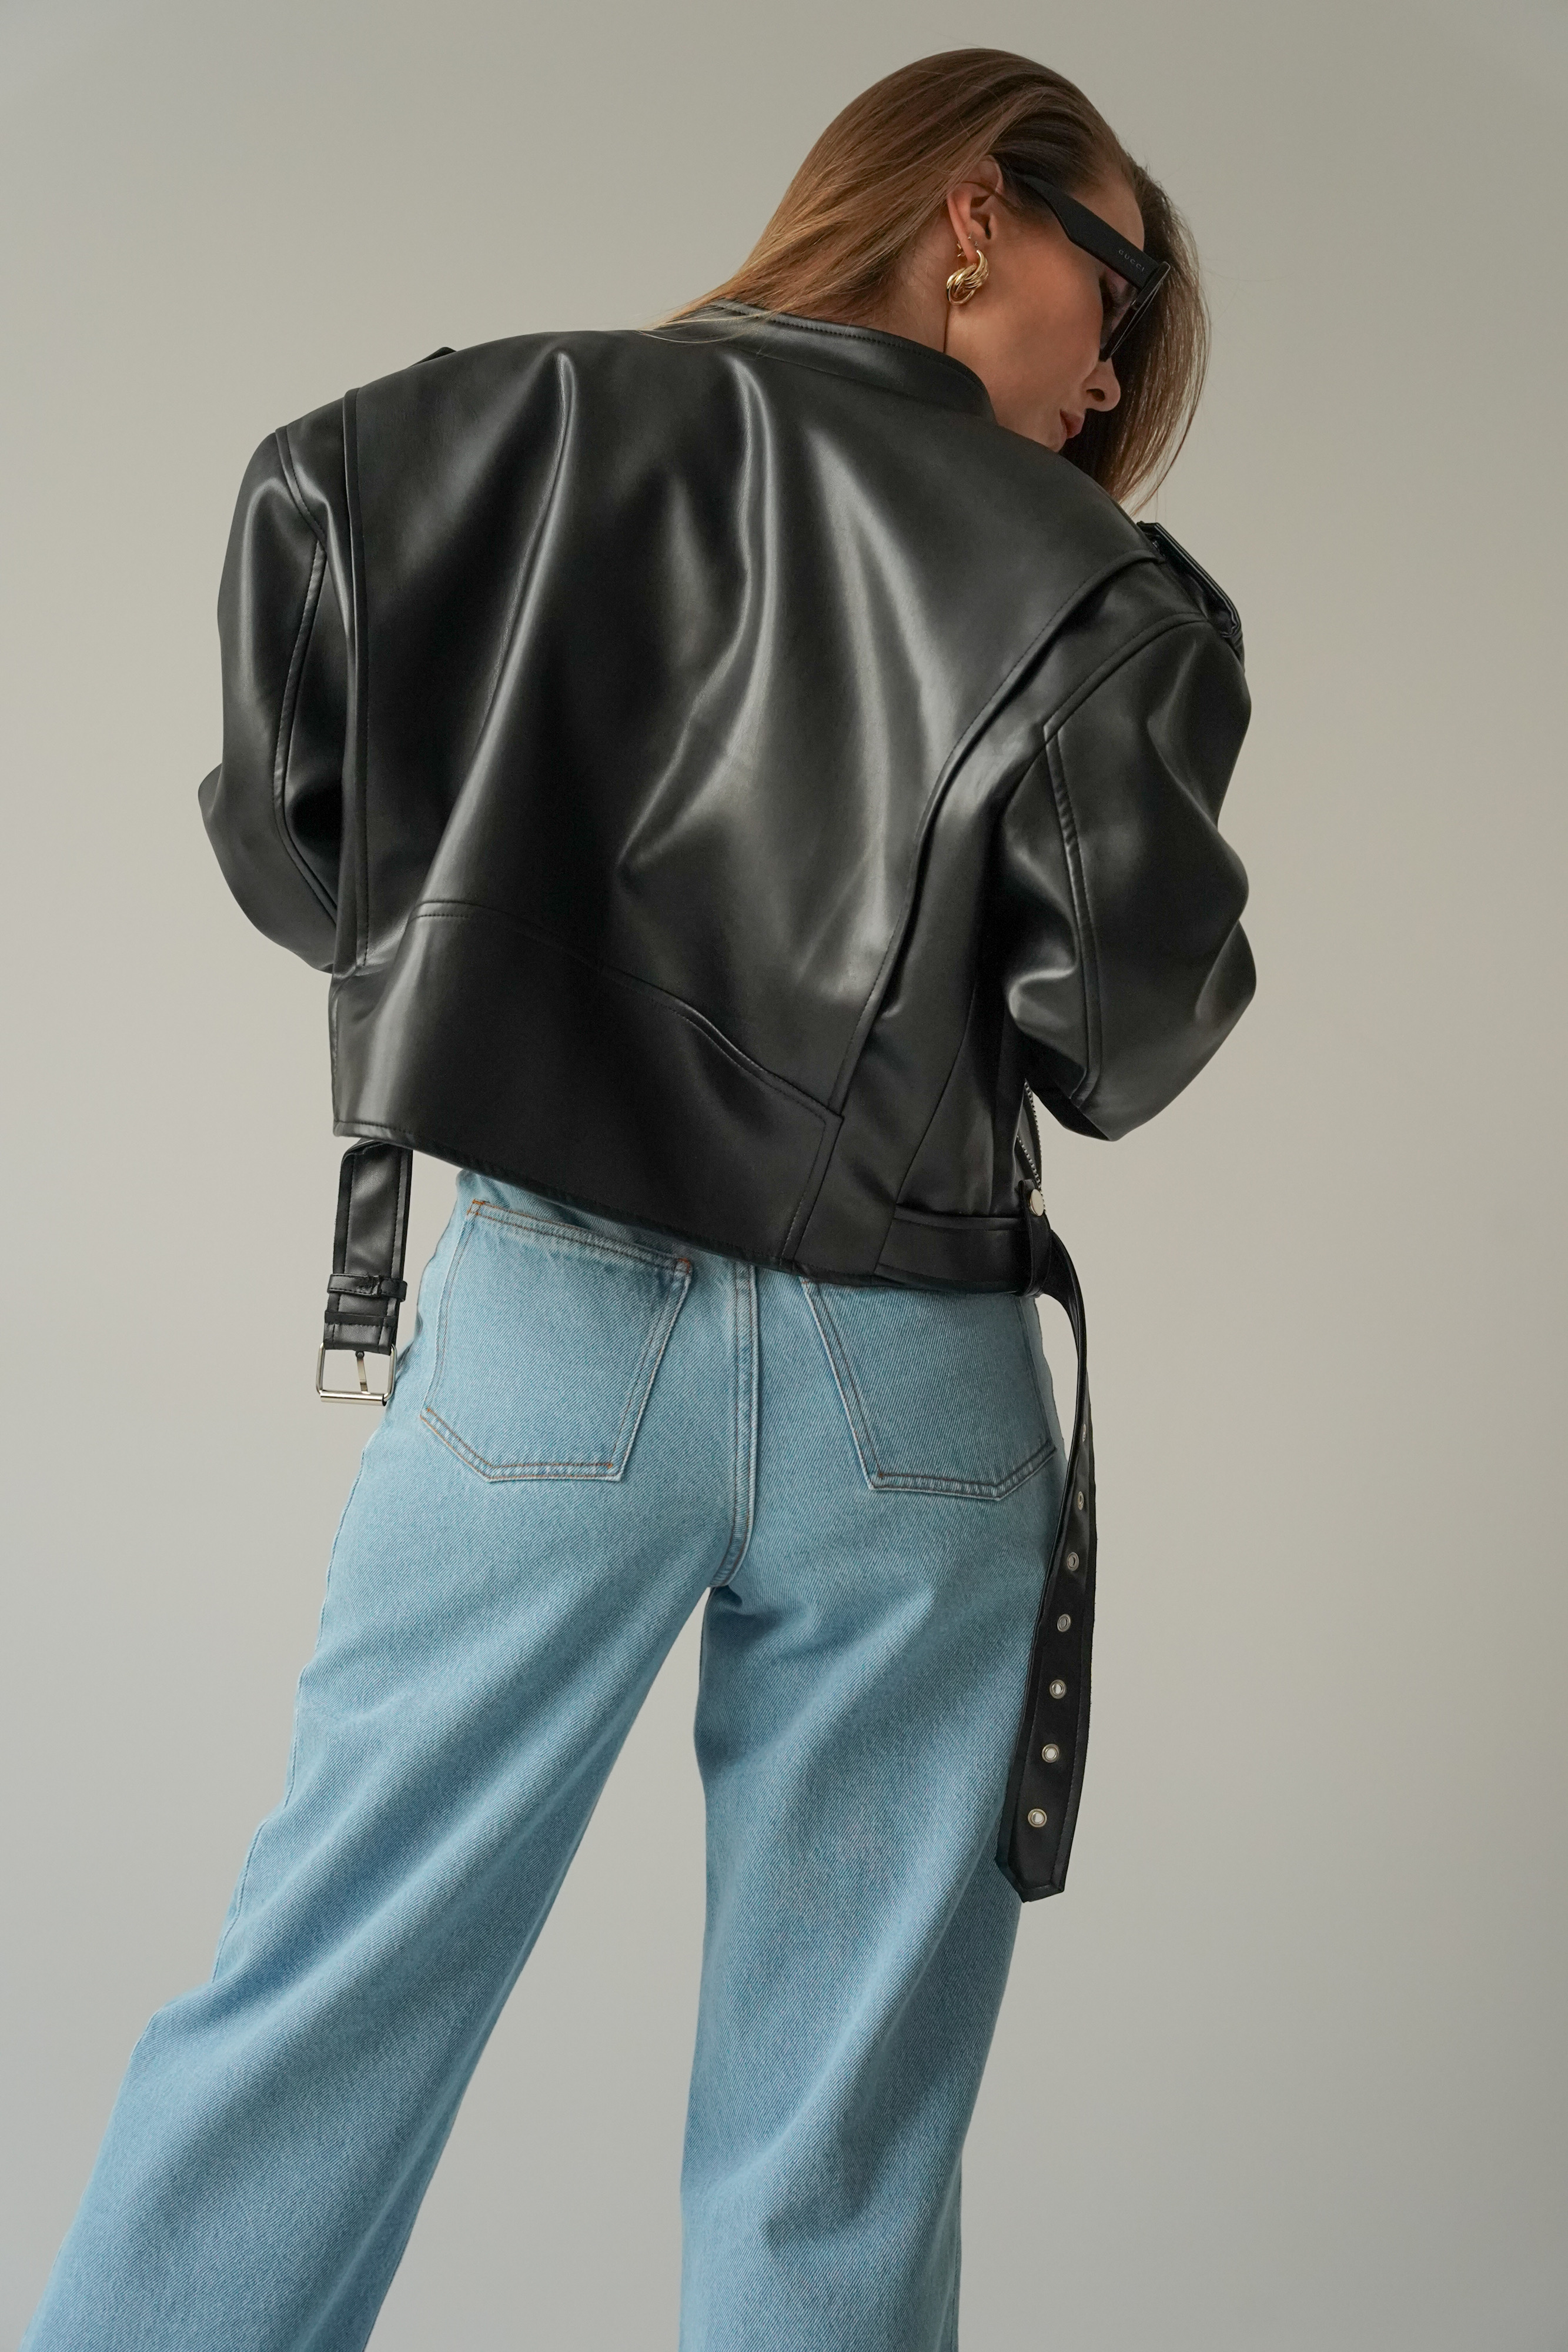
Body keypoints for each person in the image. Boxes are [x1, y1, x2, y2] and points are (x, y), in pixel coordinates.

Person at [24, 46, 1253, 2352]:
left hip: (551, 1344)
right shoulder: (1100, 594)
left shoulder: (512, 428)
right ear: (971, 212)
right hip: (915, 1384)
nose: (1109, 376)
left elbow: (294, 761)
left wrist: (462, 960)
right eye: (1116, 285)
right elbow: (1117, 1042)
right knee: (833, 2157)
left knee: (312, 2013)